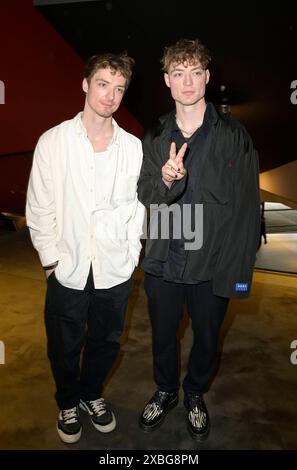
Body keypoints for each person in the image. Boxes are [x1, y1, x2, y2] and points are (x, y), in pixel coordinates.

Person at [137, 38, 260, 441]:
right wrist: (166, 179)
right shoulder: (155, 133)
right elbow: (145, 193)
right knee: (162, 334)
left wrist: (238, 276)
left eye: (195, 72)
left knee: (208, 337)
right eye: (178, 73)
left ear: (206, 78)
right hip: (163, 258)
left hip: (215, 264)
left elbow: (247, 210)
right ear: (167, 81)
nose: (187, 82)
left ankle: (193, 393)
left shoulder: (235, 136)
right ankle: (166, 389)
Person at [26, 53, 145, 444]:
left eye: (119, 88)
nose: (110, 96)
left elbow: (138, 208)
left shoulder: (132, 148)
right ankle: (67, 402)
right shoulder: (53, 142)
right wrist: (51, 262)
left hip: (115, 268)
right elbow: (39, 207)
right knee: (63, 344)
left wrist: (131, 256)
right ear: (85, 84)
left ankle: (92, 395)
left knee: (107, 341)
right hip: (68, 265)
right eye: (103, 84)